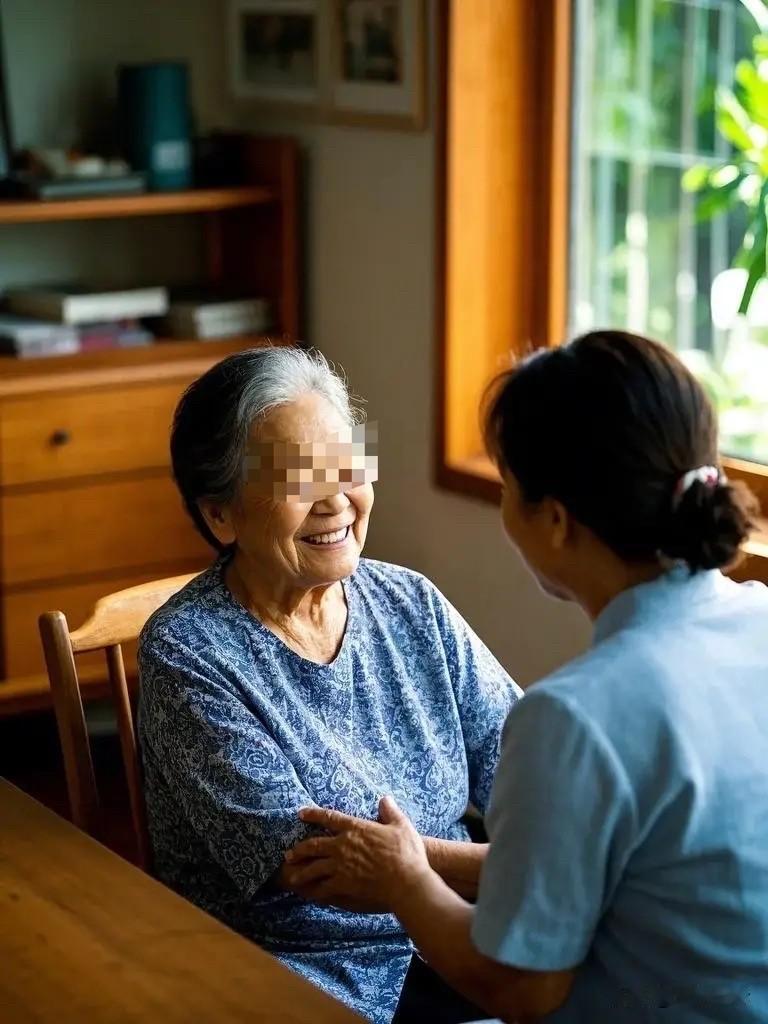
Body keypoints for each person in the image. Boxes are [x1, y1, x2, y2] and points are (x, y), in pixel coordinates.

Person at [283, 330, 768, 1023]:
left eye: (508, 487)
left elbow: (521, 990)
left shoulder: (573, 719)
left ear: (557, 521)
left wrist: (405, 880)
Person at [137, 346, 521, 1024]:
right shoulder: (188, 652)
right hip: (307, 975)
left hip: (458, 934)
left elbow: (530, 766)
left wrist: (521, 860)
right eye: (298, 479)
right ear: (220, 515)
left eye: (347, 466)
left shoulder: (411, 602)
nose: (337, 499)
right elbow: (312, 866)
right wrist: (520, 867)